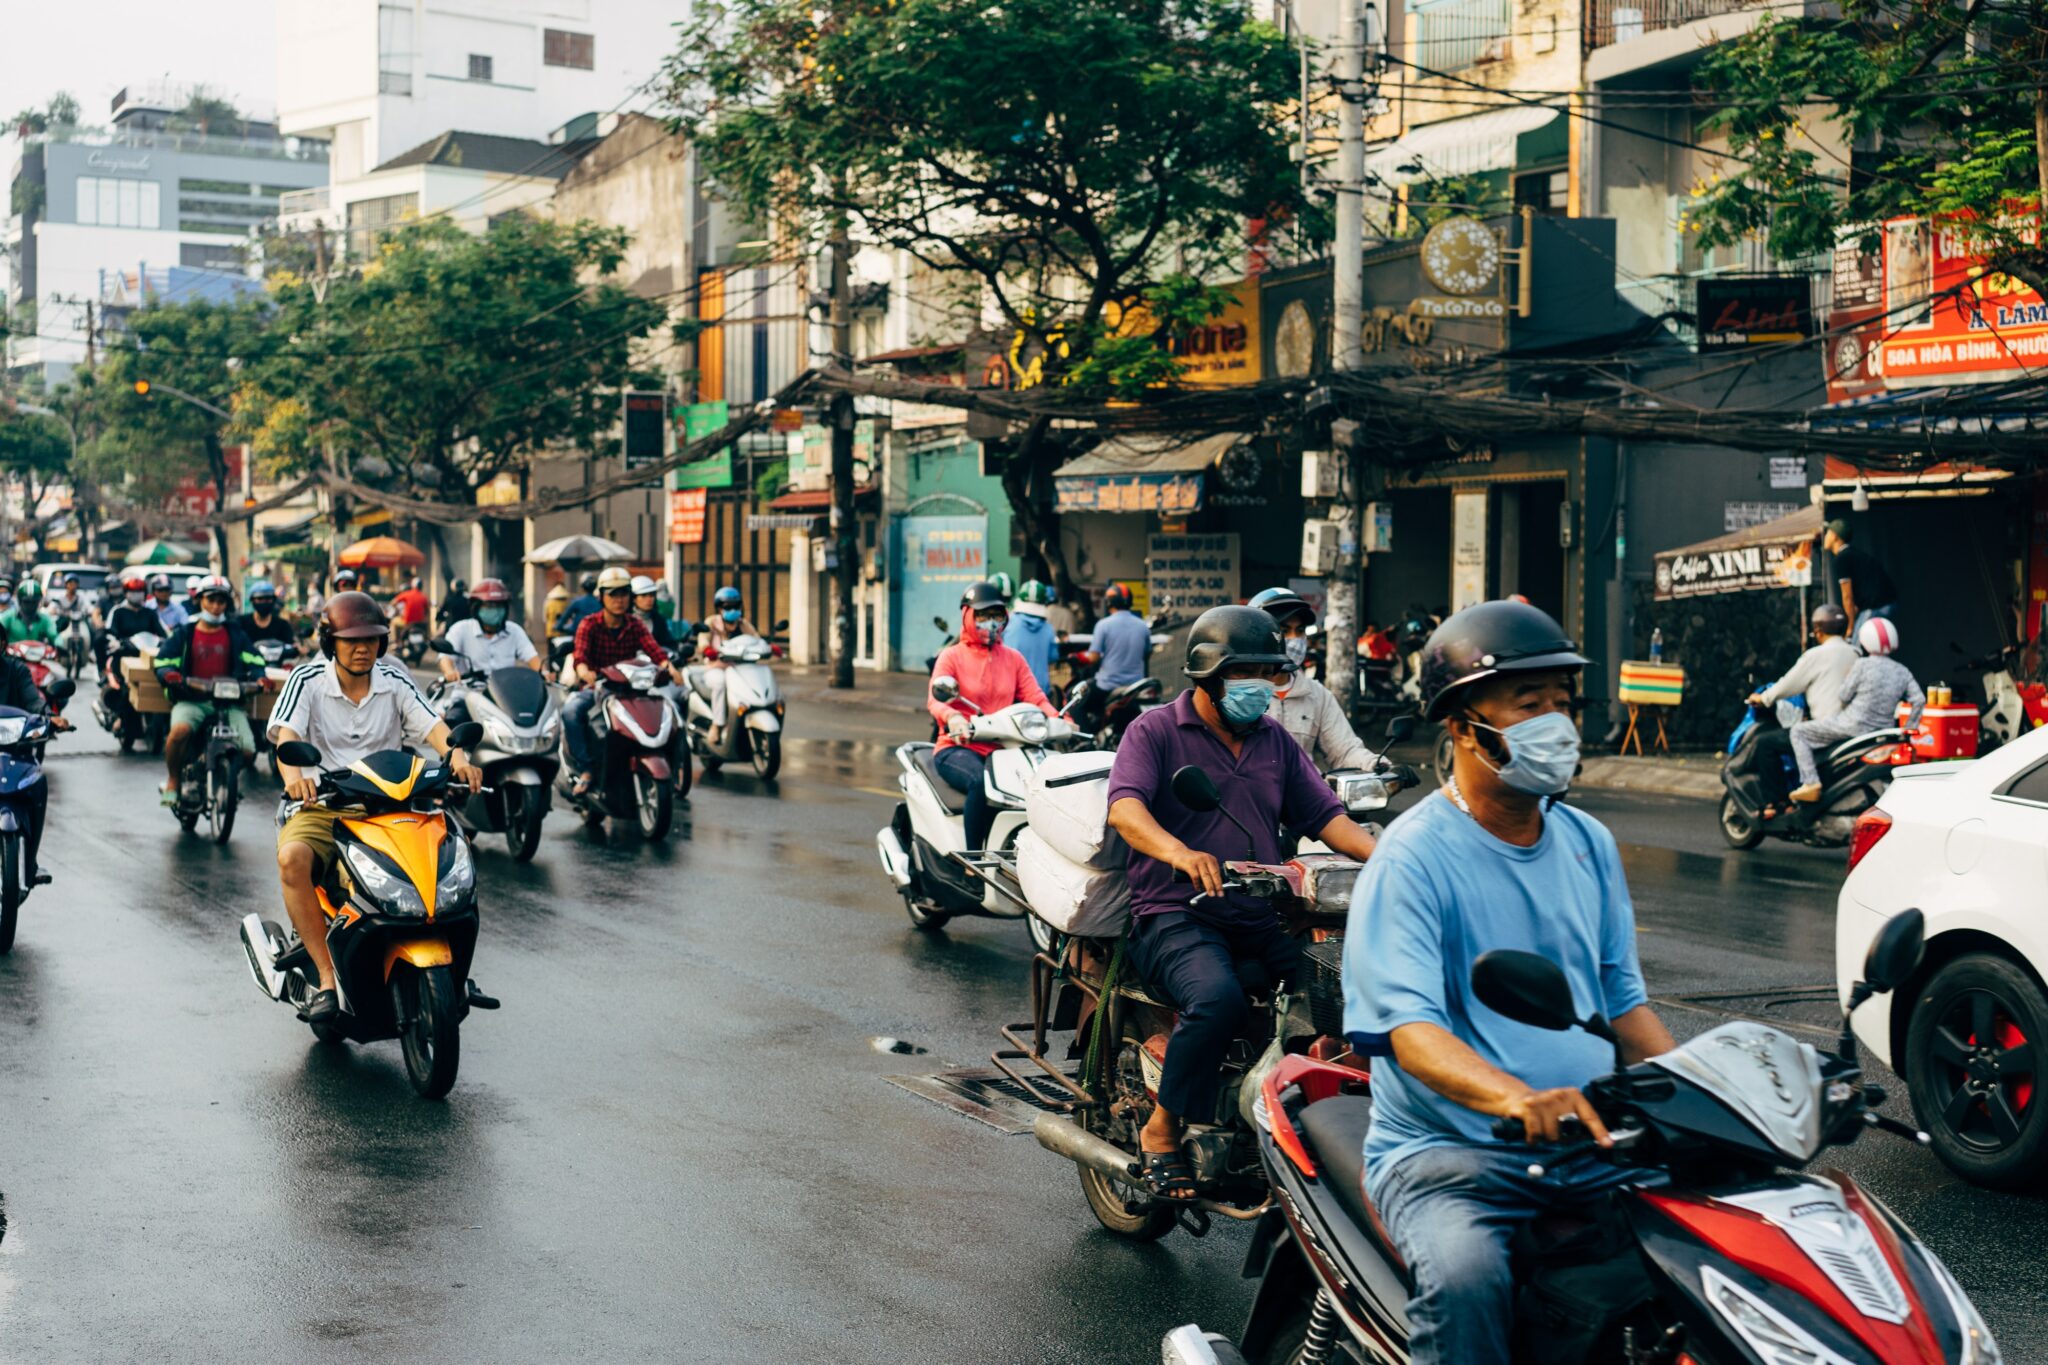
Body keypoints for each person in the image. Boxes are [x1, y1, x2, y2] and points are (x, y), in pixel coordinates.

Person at [1342, 599, 1675, 1365]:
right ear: (1461, 725)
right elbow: (1410, 1033)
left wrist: (1708, 1100)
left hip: (1592, 1137)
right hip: (1449, 1153)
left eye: (1563, 703)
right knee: (1466, 1280)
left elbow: (1624, 1004)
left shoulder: (1588, 841)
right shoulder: (1412, 858)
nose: (1556, 723)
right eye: (1530, 706)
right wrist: (1518, 1098)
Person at [1105, 605, 1379, 1199]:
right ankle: (1162, 1129)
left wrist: (1387, 859)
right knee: (1218, 998)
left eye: (1267, 672)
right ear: (1207, 675)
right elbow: (1125, 809)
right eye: (1245, 672)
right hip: (1174, 914)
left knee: (1343, 987)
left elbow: (1325, 816)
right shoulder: (1153, 731)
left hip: (1257, 912)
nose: (1261, 686)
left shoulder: (1274, 741)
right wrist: (1180, 854)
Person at [269, 593, 480, 1024]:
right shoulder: (307, 679)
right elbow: (287, 737)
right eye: (350, 640)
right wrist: (296, 779)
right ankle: (327, 979)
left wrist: (457, 756)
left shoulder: (394, 681)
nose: (362, 647)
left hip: (392, 803)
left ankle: (456, 974)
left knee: (451, 862)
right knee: (293, 860)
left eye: (371, 639)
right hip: (326, 805)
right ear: (331, 643)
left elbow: (434, 727)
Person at [928, 581, 1059, 853]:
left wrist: (1059, 720)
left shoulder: (1013, 658)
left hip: (1003, 748)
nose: (991, 622)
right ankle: (973, 859)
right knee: (981, 782)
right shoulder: (951, 656)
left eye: (997, 616)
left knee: (1039, 784)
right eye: (983, 616)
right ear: (967, 616)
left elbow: (1035, 697)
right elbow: (935, 698)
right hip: (958, 746)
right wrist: (952, 716)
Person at [566, 567, 683, 795]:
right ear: (602, 597)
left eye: (624, 594)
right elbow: (580, 656)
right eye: (613, 594)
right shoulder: (589, 624)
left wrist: (670, 668)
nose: (619, 600)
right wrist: (584, 671)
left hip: (632, 691)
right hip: (598, 688)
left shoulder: (635, 624)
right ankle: (586, 769)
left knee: (672, 713)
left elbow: (655, 651)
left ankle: (673, 767)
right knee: (571, 713)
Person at [153, 576, 266, 806]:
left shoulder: (235, 634)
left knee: (247, 750)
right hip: (192, 700)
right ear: (200, 601)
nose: (216, 606)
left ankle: (220, 774)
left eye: (221, 601)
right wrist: (170, 675)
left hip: (229, 703)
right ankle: (174, 779)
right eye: (211, 600)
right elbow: (162, 661)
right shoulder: (185, 633)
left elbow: (254, 659)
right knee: (179, 733)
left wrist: (260, 677)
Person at [1790, 616, 1924, 802]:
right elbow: (1919, 699)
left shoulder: (1862, 665)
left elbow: (1843, 695)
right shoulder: (1901, 670)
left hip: (1851, 725)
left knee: (1798, 732)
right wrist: (1907, 729)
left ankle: (1811, 783)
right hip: (1883, 731)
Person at [1743, 603, 1857, 811]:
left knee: (1765, 743)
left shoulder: (1816, 655)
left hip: (1824, 730)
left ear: (1818, 631)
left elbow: (1788, 684)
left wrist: (1764, 698)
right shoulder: (1856, 654)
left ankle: (1779, 802)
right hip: (1851, 729)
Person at [1250, 587, 1375, 771]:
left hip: (1306, 795)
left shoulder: (1317, 695)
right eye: (1283, 630)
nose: (1294, 639)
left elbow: (1344, 750)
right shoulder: (1241, 693)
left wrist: (1377, 765)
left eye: (1299, 630)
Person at [0, 643, 69, 882]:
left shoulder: (16, 671)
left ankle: (30, 861)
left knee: (37, 782)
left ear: (2, 645)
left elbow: (32, 699)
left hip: (16, 748)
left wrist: (49, 717)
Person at [694, 585, 765, 742]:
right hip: (716, 667)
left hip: (740, 669)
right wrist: (707, 649)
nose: (733, 610)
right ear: (719, 608)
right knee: (720, 682)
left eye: (736, 606)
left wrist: (769, 647)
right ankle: (717, 725)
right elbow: (703, 640)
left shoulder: (743, 624)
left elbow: (756, 639)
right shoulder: (711, 622)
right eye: (728, 607)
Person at [438, 579, 541, 680]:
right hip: (467, 692)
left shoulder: (514, 630)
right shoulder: (460, 629)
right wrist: (449, 671)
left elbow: (531, 656)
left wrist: (543, 672)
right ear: (476, 608)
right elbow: (446, 657)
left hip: (505, 694)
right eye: (489, 606)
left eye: (499, 606)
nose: (495, 610)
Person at [1824, 519, 1898, 633]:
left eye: (1827, 533)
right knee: (1868, 645)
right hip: (1884, 603)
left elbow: (1847, 597)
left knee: (1856, 648)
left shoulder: (1842, 558)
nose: (1825, 536)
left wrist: (1850, 627)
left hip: (1876, 606)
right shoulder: (1851, 554)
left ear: (1835, 536)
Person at [1091, 582, 1151, 690]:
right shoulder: (1142, 626)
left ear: (1109, 602)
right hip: (1136, 685)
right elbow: (1147, 654)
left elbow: (1093, 658)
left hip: (1108, 685)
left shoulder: (1103, 625)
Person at [1007, 579, 1061, 695]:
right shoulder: (1048, 629)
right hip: (1039, 692)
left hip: (1012, 690)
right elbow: (1053, 657)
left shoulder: (1008, 623)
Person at [238, 579, 298, 652]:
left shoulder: (282, 625)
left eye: (267, 599)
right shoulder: (241, 623)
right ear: (252, 601)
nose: (264, 602)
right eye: (260, 599)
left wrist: (298, 648)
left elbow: (291, 645)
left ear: (273, 600)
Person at [631, 577, 684, 653]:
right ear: (634, 598)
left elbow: (669, 644)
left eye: (652, 595)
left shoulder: (658, 621)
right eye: (644, 595)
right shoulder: (626, 620)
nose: (649, 599)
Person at [2, 579, 60, 646]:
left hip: (39, 655)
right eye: (27, 602)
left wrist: (59, 646)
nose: (30, 606)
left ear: (39, 601)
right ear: (20, 601)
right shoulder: (8, 617)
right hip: (11, 656)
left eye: (34, 602)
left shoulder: (44, 619)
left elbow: (54, 635)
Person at [555, 572, 604, 642]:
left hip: (578, 639)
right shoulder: (600, 603)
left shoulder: (577, 602)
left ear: (582, 587)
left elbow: (563, 619)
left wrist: (559, 627)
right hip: (598, 640)